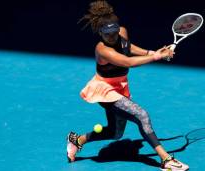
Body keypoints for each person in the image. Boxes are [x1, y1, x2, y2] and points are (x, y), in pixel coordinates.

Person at [67, 1, 189, 170]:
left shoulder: (121, 32)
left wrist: (152, 52)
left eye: (114, 32)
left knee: (115, 133)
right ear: (100, 32)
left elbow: (128, 47)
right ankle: (166, 160)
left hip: (120, 87)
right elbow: (127, 61)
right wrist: (157, 57)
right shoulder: (102, 50)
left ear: (118, 27)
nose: (112, 36)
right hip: (105, 90)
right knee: (142, 116)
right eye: (107, 34)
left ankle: (77, 140)